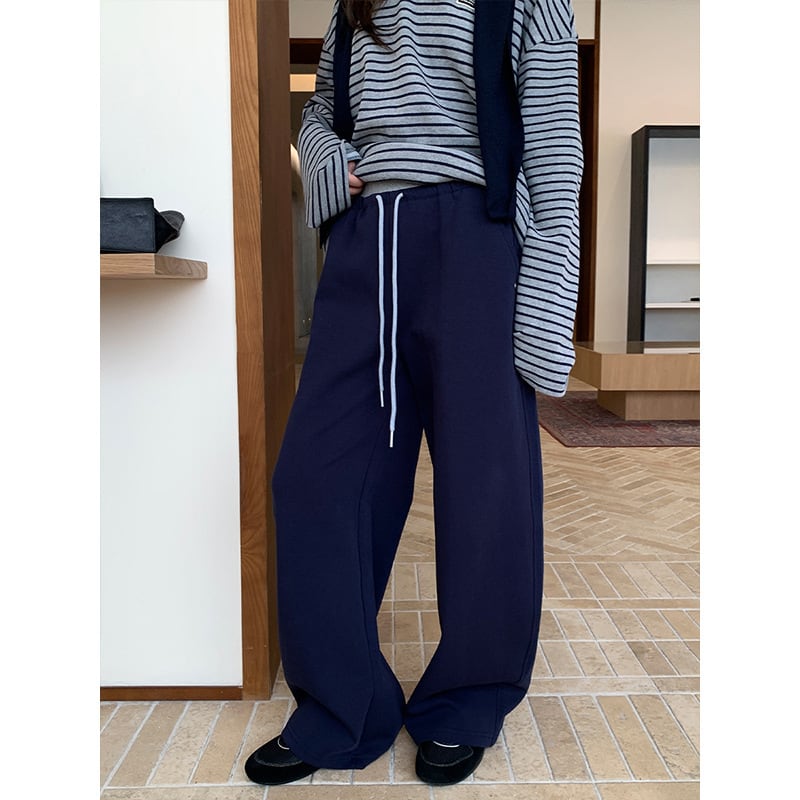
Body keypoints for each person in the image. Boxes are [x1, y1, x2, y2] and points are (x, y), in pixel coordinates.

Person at [245, 0, 583, 787]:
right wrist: (329, 161)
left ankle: (468, 698)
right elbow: (321, 114)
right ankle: (341, 706)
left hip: (477, 239)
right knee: (314, 480)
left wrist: (545, 302)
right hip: (365, 240)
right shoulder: (352, 5)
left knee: (487, 487)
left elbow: (554, 151)